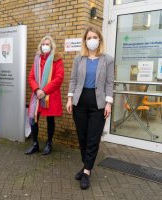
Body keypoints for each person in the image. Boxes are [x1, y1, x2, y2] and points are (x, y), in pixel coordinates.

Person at [66, 26, 114, 190]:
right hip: (80, 102)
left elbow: (109, 82)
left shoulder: (107, 59)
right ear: (85, 41)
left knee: (93, 138)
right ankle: (86, 165)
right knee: (82, 138)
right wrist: (69, 98)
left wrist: (108, 103)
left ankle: (86, 171)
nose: (91, 40)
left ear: (99, 39)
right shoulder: (79, 59)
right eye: (88, 37)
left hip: (98, 103)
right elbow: (73, 80)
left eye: (94, 37)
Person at [25, 36, 64, 155]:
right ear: (40, 46)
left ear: (52, 46)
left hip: (50, 96)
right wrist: (37, 90)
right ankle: (35, 144)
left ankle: (49, 143)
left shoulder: (57, 60)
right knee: (33, 119)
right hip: (37, 96)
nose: (45, 46)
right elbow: (31, 77)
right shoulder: (37, 59)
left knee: (50, 120)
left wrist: (45, 91)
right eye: (43, 44)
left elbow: (59, 78)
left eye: (48, 44)